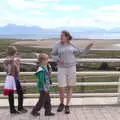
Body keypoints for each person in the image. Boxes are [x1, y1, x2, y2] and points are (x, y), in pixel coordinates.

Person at [51, 30, 94, 114]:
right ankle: (61, 103)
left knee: (70, 86)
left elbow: (81, 53)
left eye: (62, 35)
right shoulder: (57, 45)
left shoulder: (72, 45)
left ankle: (67, 106)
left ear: (67, 37)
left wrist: (88, 47)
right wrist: (58, 59)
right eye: (60, 35)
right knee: (61, 87)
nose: (60, 37)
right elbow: (52, 54)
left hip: (71, 68)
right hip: (61, 68)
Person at [3, 46, 27, 114]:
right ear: (15, 52)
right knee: (20, 93)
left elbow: (6, 70)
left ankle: (13, 109)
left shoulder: (6, 60)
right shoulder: (14, 60)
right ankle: (19, 107)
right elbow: (17, 70)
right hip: (14, 78)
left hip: (9, 78)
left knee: (11, 94)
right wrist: (17, 63)